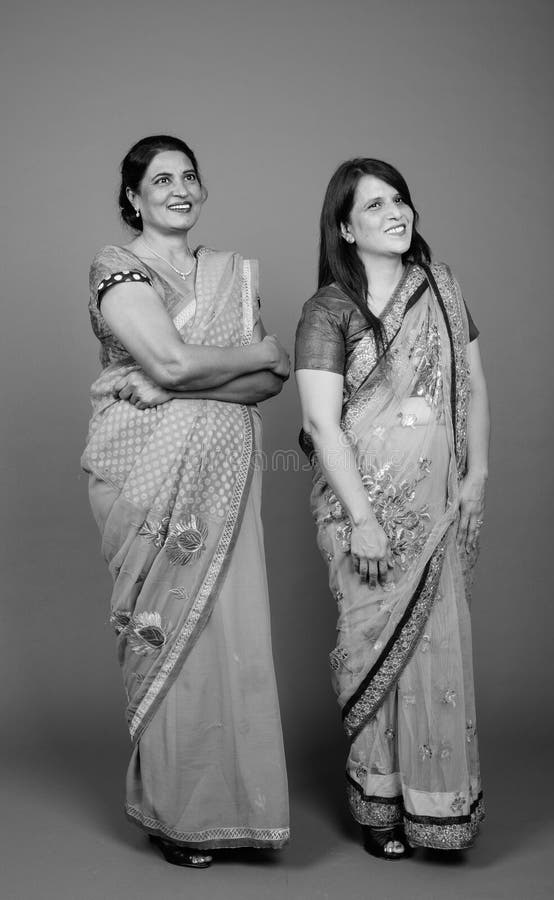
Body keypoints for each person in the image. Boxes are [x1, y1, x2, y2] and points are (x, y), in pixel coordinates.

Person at [82, 135, 290, 867]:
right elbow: (173, 356)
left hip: (227, 477)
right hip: (146, 480)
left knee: (231, 640)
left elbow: (269, 387)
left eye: (190, 177)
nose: (179, 189)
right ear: (134, 196)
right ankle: (180, 816)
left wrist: (174, 381)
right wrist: (256, 352)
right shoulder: (118, 268)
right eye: (160, 179)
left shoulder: (229, 274)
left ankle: (238, 810)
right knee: (171, 634)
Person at [295, 158, 489, 859]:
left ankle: (436, 805)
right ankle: (379, 804)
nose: (395, 212)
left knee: (434, 651)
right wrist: (365, 520)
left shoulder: (439, 291)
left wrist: (477, 476)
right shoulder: (329, 310)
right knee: (374, 648)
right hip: (362, 511)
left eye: (399, 199)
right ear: (345, 227)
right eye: (374, 206)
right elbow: (320, 425)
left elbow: (472, 384)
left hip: (437, 501)